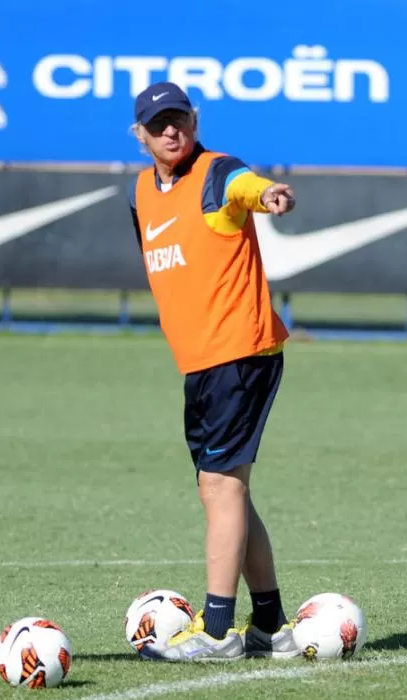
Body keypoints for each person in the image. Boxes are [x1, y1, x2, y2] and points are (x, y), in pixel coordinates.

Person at [128, 81, 297, 661]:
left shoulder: (216, 172)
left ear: (194, 121)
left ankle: (219, 630)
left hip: (239, 352)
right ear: (140, 136)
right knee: (227, 492)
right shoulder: (143, 194)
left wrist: (267, 193)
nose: (171, 131)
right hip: (201, 362)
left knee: (221, 487)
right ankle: (270, 625)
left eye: (179, 119)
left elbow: (243, 185)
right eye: (158, 124)